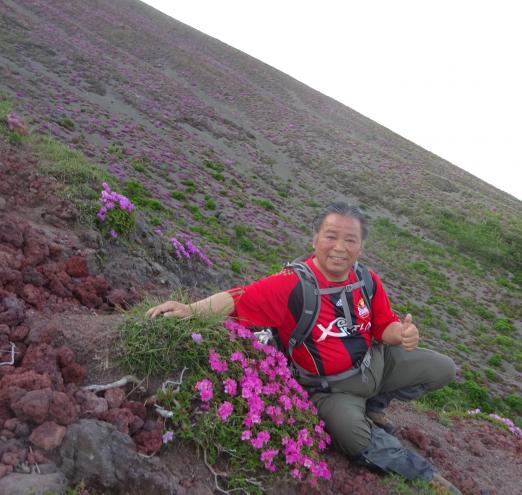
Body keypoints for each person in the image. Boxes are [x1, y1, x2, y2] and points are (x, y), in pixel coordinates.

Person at [147, 202, 460, 494]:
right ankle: (425, 476)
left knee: (443, 369)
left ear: (360, 247)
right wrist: (191, 310)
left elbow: (383, 325)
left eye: (350, 240)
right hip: (332, 390)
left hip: (376, 365)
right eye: (331, 236)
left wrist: (402, 334)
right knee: (354, 437)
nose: (340, 247)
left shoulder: (367, 280)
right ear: (315, 240)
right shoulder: (293, 285)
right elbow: (238, 298)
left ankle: (374, 406)